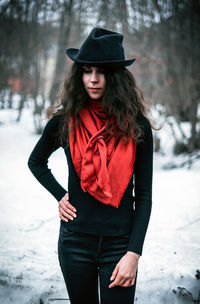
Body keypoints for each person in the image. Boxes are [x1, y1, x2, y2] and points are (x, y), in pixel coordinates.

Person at [28, 27, 154, 304]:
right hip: (75, 243)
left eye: (102, 71)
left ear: (117, 77)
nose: (93, 79)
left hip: (119, 245)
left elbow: (143, 197)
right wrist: (60, 194)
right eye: (86, 70)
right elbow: (36, 162)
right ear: (79, 75)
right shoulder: (63, 123)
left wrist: (134, 253)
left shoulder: (137, 127)